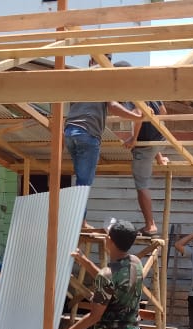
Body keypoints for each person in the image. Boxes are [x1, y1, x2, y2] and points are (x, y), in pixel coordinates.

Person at [64, 57, 143, 229]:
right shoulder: (107, 79)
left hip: (70, 132)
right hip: (88, 133)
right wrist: (136, 117)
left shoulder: (84, 79)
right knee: (84, 182)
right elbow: (113, 106)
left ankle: (78, 219)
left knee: (80, 178)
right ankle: (80, 221)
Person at [122, 100, 169, 237]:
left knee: (141, 184)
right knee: (150, 150)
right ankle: (158, 156)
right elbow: (163, 112)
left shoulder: (131, 97)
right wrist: (158, 155)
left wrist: (134, 138)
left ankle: (150, 225)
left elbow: (138, 113)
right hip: (160, 140)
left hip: (144, 147)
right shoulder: (150, 93)